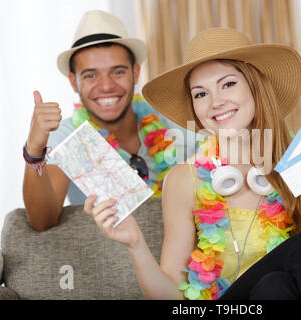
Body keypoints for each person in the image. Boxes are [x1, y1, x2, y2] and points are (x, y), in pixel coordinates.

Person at [84, 28, 301, 300]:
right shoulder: (183, 179)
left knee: (275, 286)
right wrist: (136, 244)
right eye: (200, 94)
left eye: (228, 84)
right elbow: (171, 298)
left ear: (255, 86)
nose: (216, 102)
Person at [22, 10, 195, 232]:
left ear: (135, 72)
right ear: (74, 82)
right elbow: (42, 222)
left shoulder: (171, 118)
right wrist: (34, 150)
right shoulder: (67, 134)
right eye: (91, 75)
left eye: (118, 72)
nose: (105, 86)